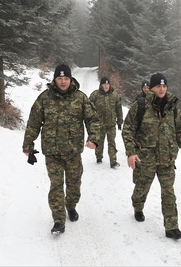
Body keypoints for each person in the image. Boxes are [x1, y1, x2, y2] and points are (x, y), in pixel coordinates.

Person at [22, 64, 102, 234]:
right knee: (56, 185)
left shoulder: (80, 98)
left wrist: (94, 139)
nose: (63, 82)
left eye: (66, 78)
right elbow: (33, 123)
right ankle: (59, 220)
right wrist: (28, 144)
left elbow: (93, 120)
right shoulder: (44, 99)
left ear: (71, 79)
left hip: (73, 152)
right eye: (60, 78)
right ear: (55, 80)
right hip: (52, 152)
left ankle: (71, 206)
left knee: (74, 184)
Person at [122, 73, 181, 240]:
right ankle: (137, 206)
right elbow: (128, 130)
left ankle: (172, 227)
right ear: (151, 88)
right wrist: (131, 152)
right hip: (146, 158)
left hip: (167, 158)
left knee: (168, 192)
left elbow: (180, 129)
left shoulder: (172, 105)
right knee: (142, 187)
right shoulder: (140, 106)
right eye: (158, 86)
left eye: (164, 86)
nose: (162, 89)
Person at [89, 77, 123, 168]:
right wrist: (91, 119)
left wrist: (119, 121)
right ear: (101, 85)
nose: (106, 86)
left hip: (111, 124)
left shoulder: (115, 95)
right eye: (104, 84)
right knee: (100, 141)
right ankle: (99, 157)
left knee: (111, 142)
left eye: (108, 84)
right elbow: (88, 107)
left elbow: (119, 109)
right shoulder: (95, 95)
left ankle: (113, 161)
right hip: (99, 124)